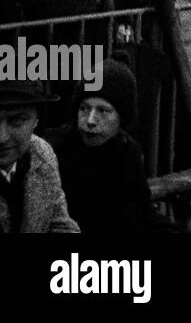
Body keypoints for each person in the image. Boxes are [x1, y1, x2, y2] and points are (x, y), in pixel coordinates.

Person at [46, 58, 154, 233]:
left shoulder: (127, 151)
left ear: (122, 117)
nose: (90, 121)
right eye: (84, 108)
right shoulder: (54, 150)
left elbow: (143, 212)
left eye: (103, 111)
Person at [0, 80, 80, 232]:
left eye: (16, 120)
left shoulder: (42, 155)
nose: (2, 137)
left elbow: (59, 224)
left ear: (36, 120)